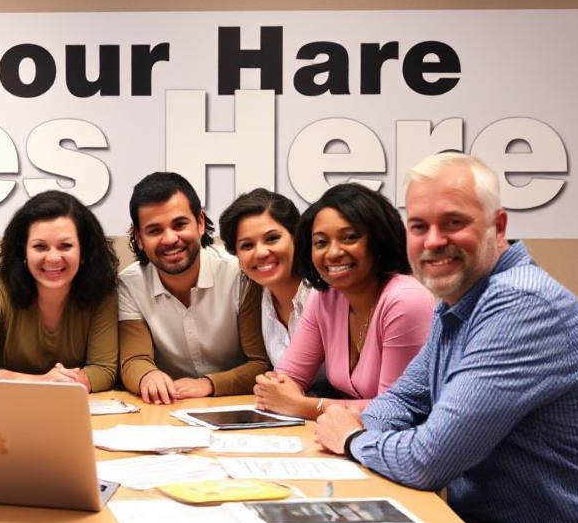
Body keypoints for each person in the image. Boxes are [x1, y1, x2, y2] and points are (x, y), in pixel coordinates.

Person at [315, 154, 578, 523]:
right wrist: (362, 427)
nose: (433, 241)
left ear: (497, 227)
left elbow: (428, 461)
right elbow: (404, 400)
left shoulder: (521, 304)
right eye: (418, 226)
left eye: (454, 223)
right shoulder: (459, 297)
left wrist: (351, 438)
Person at [254, 183, 434, 419]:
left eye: (349, 238)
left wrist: (304, 406)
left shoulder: (406, 300)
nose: (333, 252)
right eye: (321, 242)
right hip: (350, 437)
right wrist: (277, 392)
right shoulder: (325, 296)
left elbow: (395, 409)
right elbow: (286, 379)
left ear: (378, 241)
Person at [118, 172, 270, 404]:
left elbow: (261, 363)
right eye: (154, 230)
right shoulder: (129, 284)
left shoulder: (239, 274)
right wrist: (148, 376)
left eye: (179, 224)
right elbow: (134, 359)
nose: (169, 239)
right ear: (138, 237)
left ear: (200, 223)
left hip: (236, 404)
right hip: (168, 407)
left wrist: (208, 384)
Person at [0, 190, 119, 391]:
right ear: (23, 250)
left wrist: (64, 383)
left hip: (74, 409)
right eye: (40, 246)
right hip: (6, 410)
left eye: (65, 246)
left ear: (84, 251)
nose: (52, 258)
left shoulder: (102, 292)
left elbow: (103, 370)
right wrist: (41, 382)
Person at [219, 188, 312, 367]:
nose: (261, 253)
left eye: (272, 238)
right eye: (247, 245)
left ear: (296, 238)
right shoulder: (261, 300)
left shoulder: (325, 294)